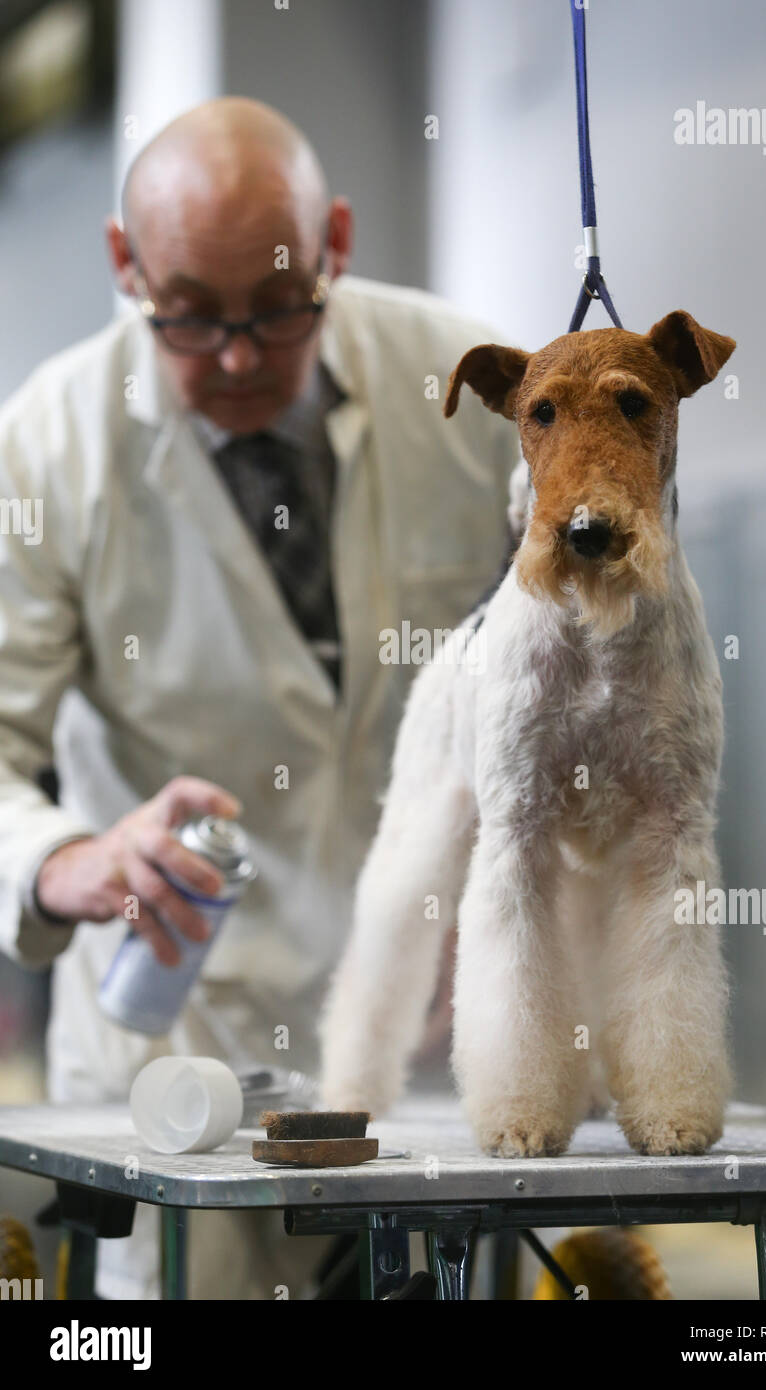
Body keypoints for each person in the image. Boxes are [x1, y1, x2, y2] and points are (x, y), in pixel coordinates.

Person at [0, 97, 518, 1298]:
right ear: (123, 265)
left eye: (277, 311)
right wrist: (64, 857)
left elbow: (587, 652)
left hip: (434, 1035)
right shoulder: (48, 449)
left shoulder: (469, 392)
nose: (235, 356)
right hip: (182, 1047)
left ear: (333, 240)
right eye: (187, 315)